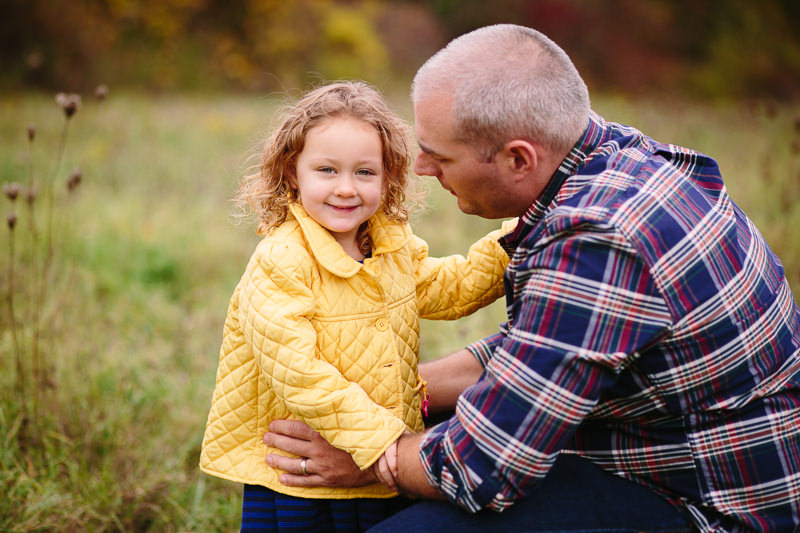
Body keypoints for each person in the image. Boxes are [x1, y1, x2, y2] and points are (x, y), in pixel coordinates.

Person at [262, 25, 800, 533]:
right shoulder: (612, 158)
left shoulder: (600, 238)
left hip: (710, 503)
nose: (421, 167)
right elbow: (544, 350)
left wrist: (373, 452)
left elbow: (481, 469)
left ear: (519, 158)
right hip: (659, 446)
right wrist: (389, 394)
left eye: (439, 154)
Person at [199, 81, 514, 532]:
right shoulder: (281, 261)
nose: (346, 188)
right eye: (327, 170)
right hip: (303, 472)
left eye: (365, 173)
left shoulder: (389, 244)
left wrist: (514, 240)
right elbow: (298, 373)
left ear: (388, 176)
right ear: (292, 171)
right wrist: (386, 442)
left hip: (373, 467)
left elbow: (451, 287)